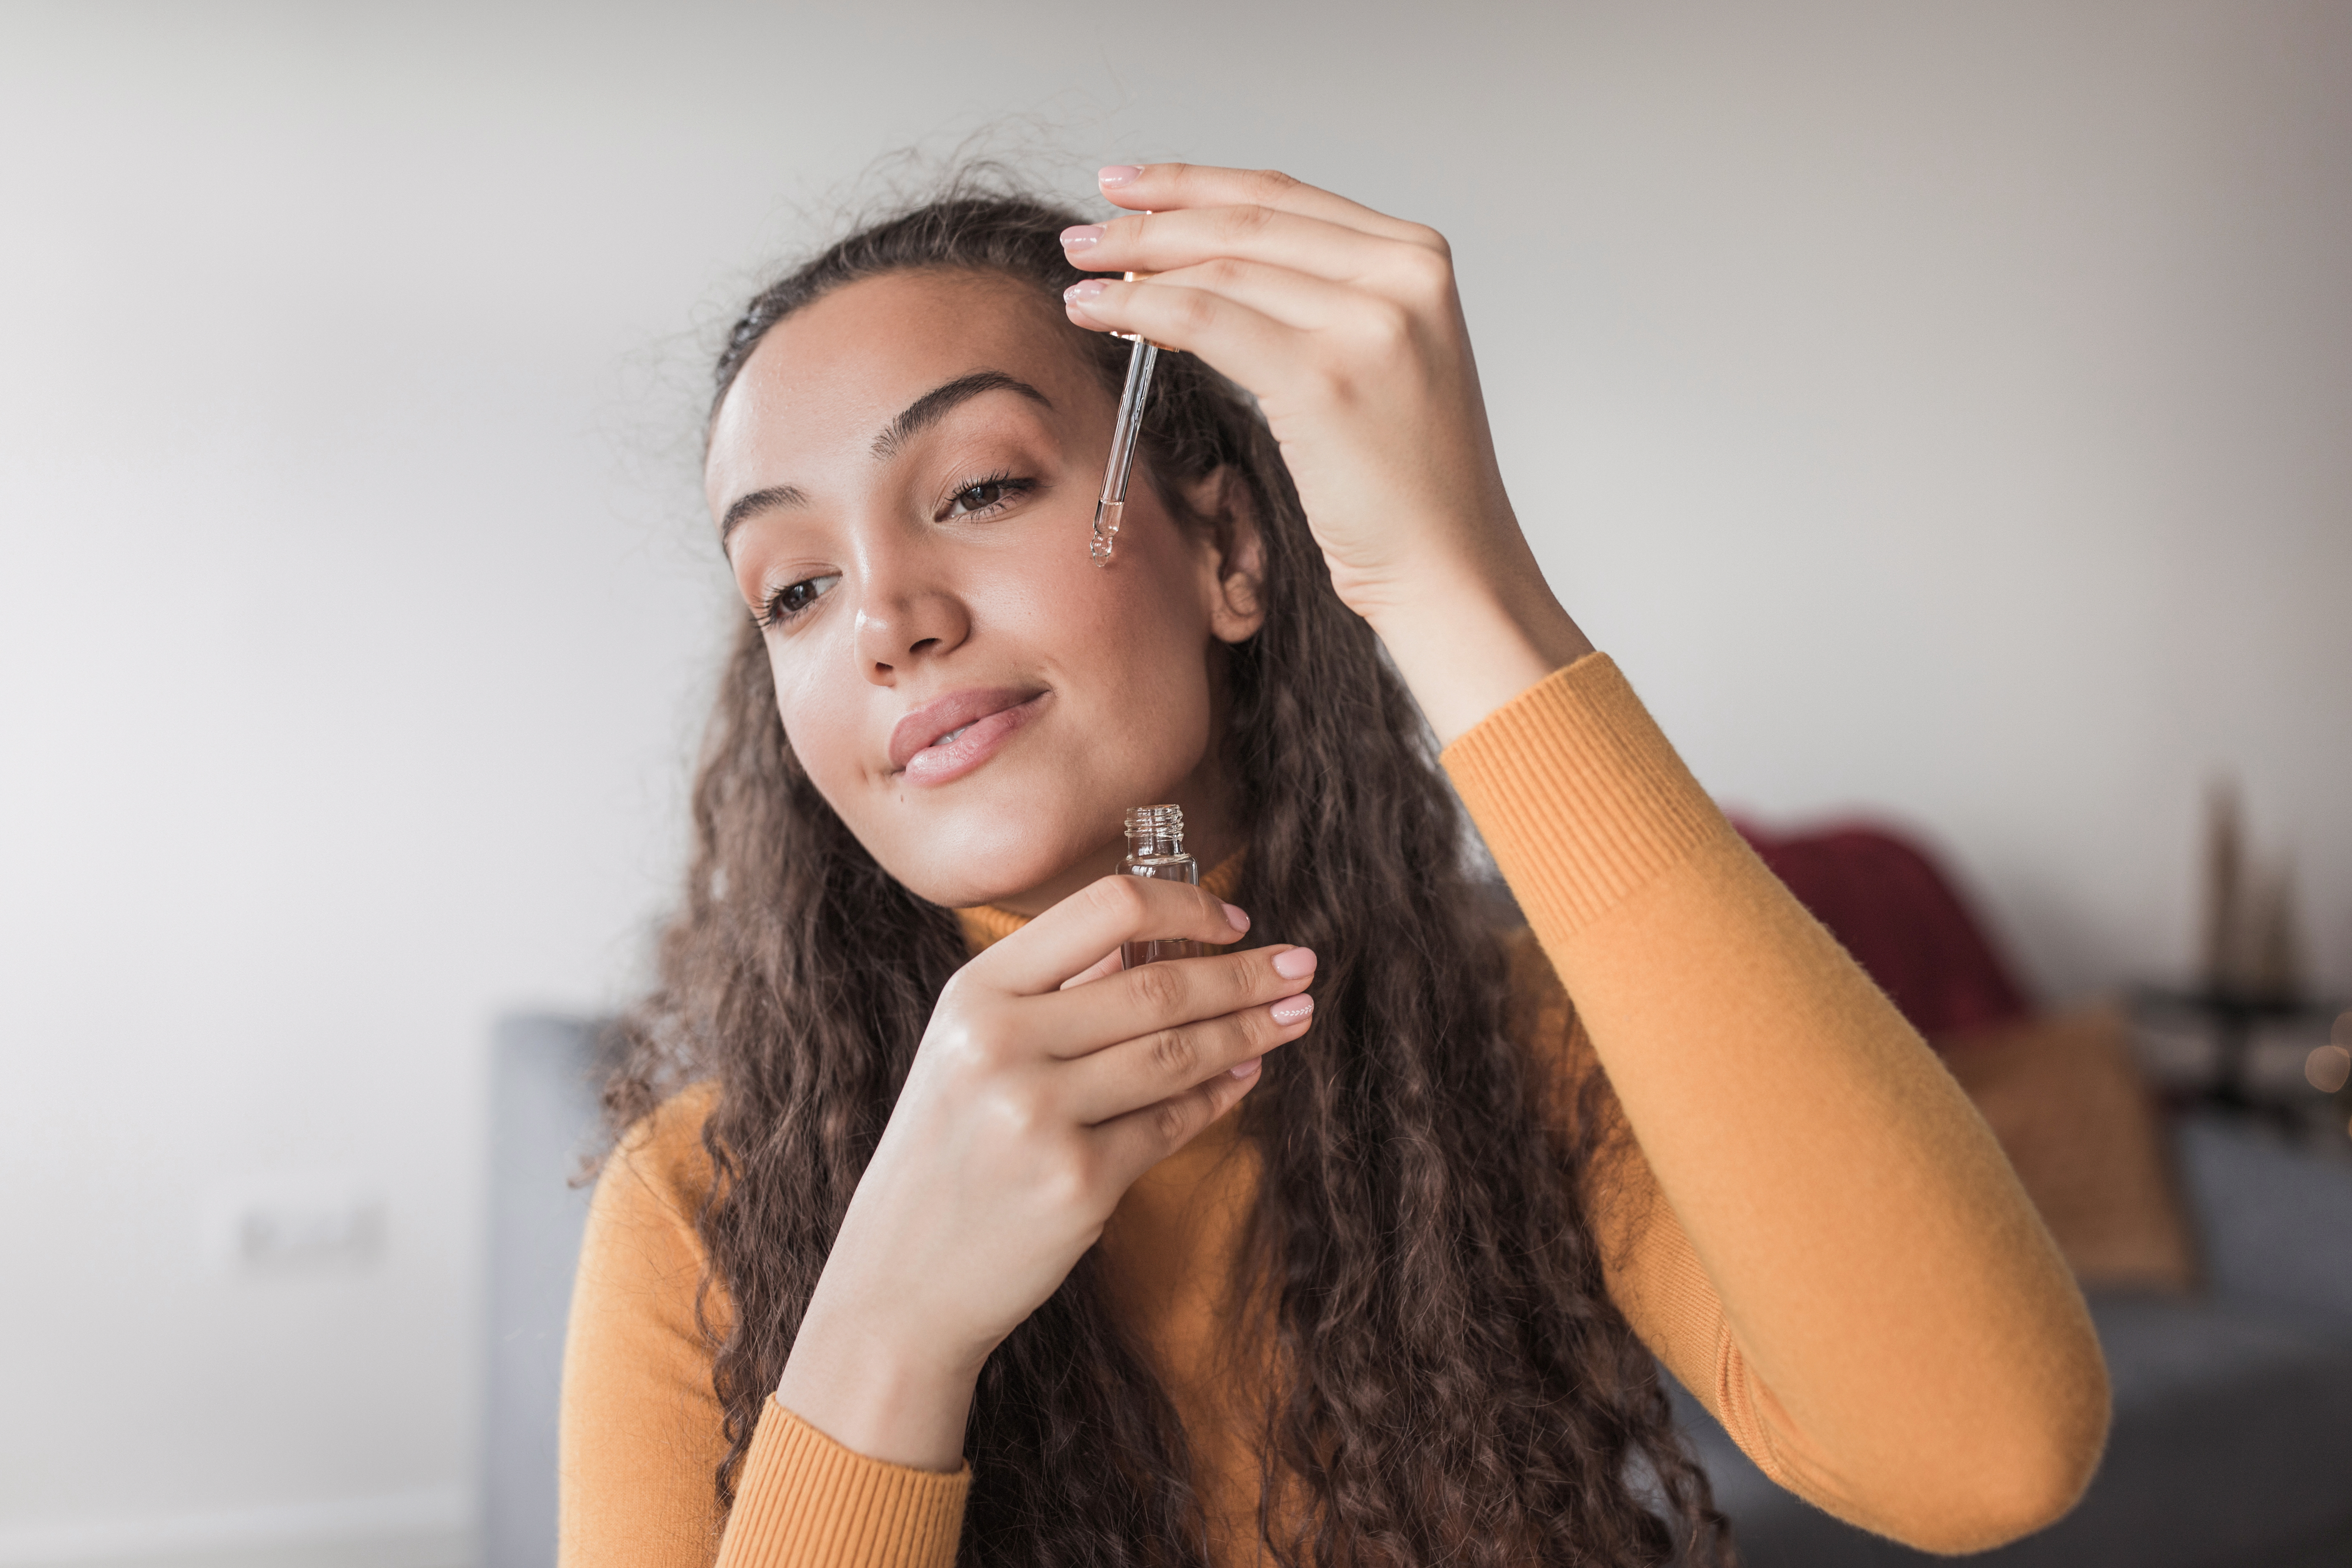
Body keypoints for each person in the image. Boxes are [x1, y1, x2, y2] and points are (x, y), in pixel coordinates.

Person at [560, 162, 2109, 1568]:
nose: (887, 615)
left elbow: (1988, 1450)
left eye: (978, 489)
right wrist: (892, 1322)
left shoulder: (1513, 1050)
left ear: (1230, 550)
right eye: (795, 588)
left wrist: (1455, 575)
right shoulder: (701, 1202)